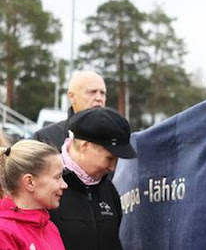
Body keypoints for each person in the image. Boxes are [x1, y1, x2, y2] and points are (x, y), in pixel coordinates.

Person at [50, 107, 136, 250]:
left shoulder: (109, 189)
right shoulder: (46, 185)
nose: (113, 168)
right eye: (109, 158)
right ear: (85, 146)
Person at [0, 140, 67, 250]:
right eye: (57, 177)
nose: (64, 185)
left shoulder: (49, 227)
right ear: (30, 182)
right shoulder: (4, 233)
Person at [33, 71, 106, 149]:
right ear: (72, 96)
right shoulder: (45, 138)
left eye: (102, 93)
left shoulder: (115, 136)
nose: (99, 98)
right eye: (92, 92)